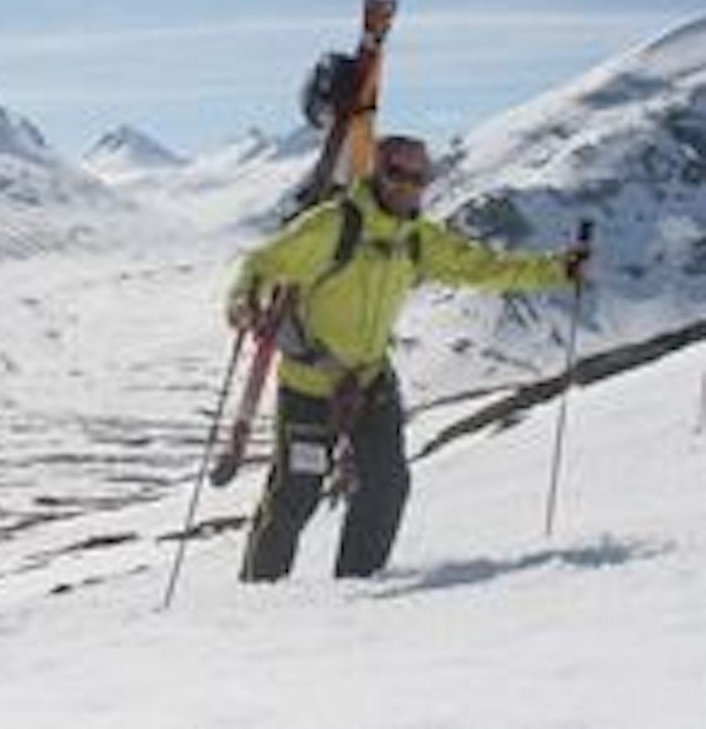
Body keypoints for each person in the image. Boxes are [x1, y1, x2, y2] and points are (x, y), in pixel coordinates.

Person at [224, 135, 589, 581]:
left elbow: (483, 266)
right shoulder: (333, 226)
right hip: (308, 387)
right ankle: (258, 599)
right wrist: (244, 301)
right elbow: (263, 263)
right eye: (399, 174)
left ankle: (356, 588)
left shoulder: (417, 238)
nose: (409, 186)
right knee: (295, 496)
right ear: (378, 173)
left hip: (370, 382)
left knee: (387, 486)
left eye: (420, 177)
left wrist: (558, 270)